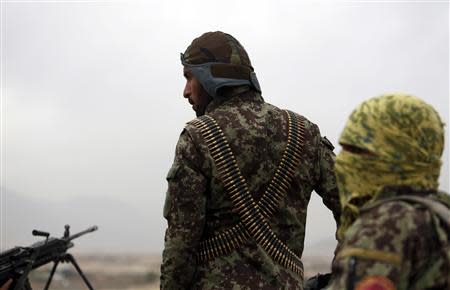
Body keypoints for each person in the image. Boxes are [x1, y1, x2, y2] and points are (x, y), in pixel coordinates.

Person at [160, 31, 341, 289]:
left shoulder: (197, 138)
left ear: (211, 76)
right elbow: (355, 212)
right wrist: (342, 279)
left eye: (190, 77)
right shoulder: (305, 133)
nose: (186, 91)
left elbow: (181, 244)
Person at [327, 93, 450, 290]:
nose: (342, 160)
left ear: (396, 155)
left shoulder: (387, 224)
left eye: (356, 150)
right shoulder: (439, 213)